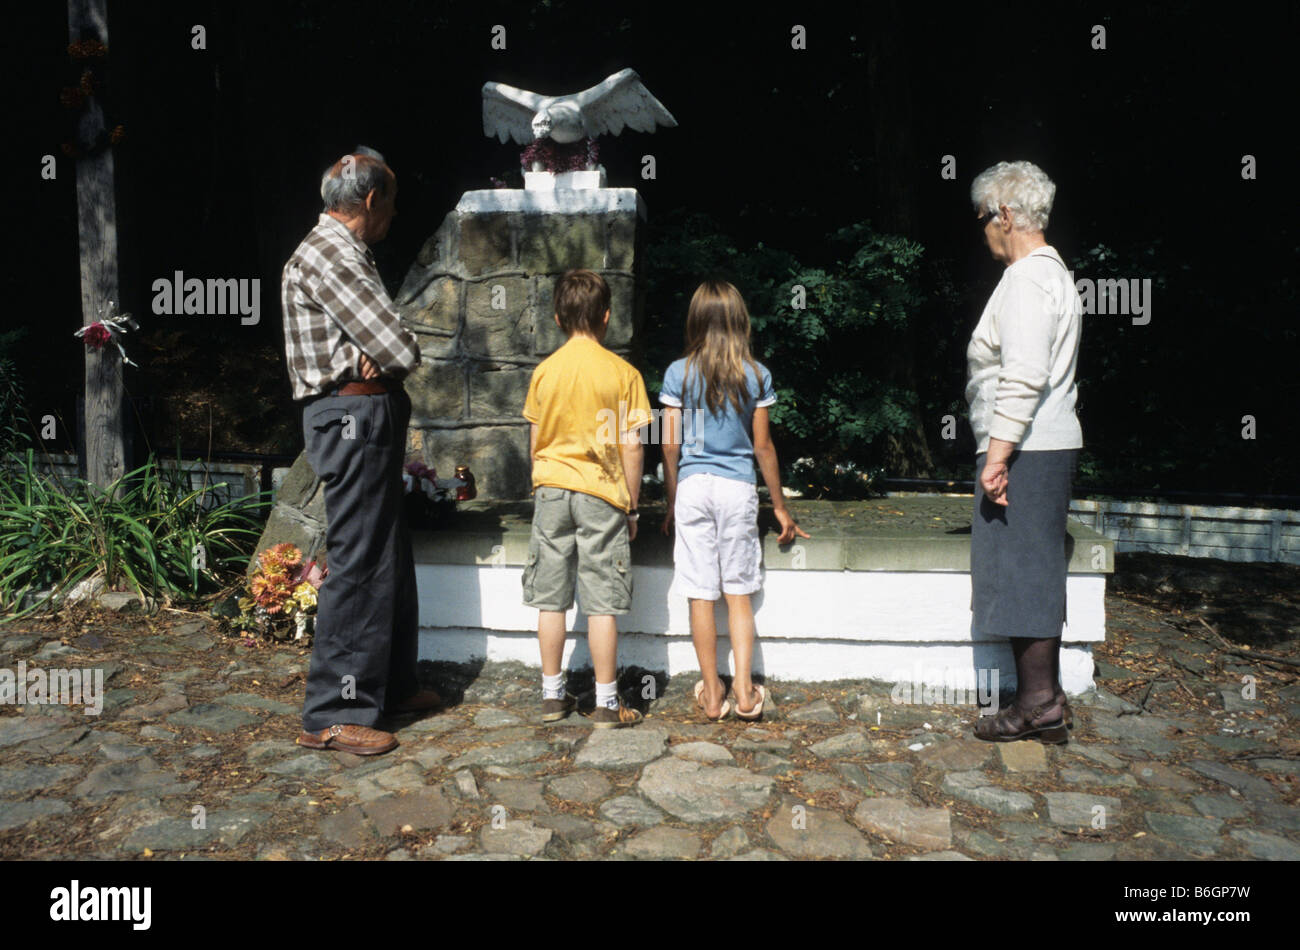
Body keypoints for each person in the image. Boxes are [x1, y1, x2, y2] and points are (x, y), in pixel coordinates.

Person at [281, 146, 442, 756]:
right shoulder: (333, 255)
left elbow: (390, 345)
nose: (394, 216)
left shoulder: (342, 253)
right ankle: (335, 712)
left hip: (362, 411)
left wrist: (383, 347)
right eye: (392, 204)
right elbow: (400, 348)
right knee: (360, 559)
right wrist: (382, 348)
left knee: (386, 553)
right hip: (352, 413)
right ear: (371, 200)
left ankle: (390, 684)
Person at [965, 160, 1083, 744]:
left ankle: (1038, 702)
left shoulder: (1028, 280)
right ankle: (1043, 698)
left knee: (1022, 572)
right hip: (1035, 446)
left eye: (984, 218)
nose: (982, 229)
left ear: (1006, 215)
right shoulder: (1049, 275)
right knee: (1026, 569)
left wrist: (997, 454)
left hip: (1026, 448)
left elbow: (1025, 374)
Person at [659, 280, 809, 721]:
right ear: (740, 321)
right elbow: (763, 448)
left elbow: (669, 445)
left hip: (692, 487)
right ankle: (745, 693)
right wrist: (779, 506)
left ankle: (711, 696)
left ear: (696, 319)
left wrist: (671, 500)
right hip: (737, 489)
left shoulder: (677, 373)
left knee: (700, 595)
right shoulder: (756, 374)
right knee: (738, 593)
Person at [521, 269, 652, 727]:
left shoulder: (544, 372)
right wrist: (632, 505)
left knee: (550, 598)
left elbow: (536, 440)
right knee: (601, 601)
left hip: (553, 490)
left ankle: (552, 695)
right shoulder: (624, 374)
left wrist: (543, 484)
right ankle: (606, 702)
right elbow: (633, 445)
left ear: (558, 317)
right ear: (607, 317)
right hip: (601, 493)